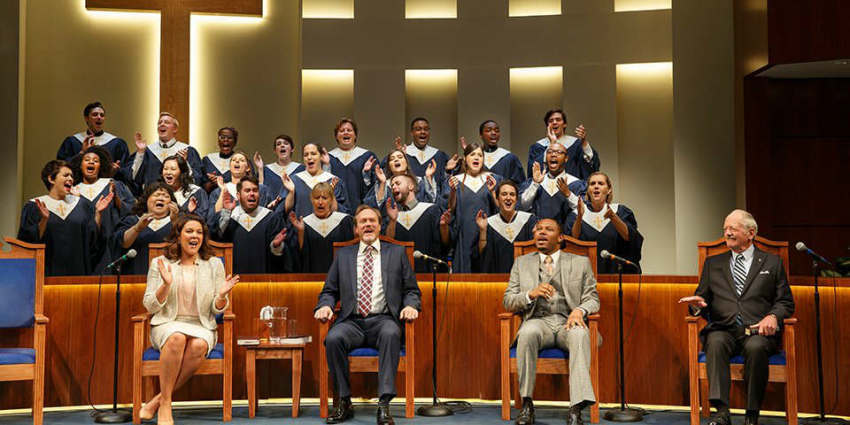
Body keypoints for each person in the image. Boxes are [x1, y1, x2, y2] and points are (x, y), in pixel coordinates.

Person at [679, 210, 795, 425]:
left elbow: (786, 302)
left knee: (756, 347)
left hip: (758, 331)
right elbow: (702, 299)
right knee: (714, 341)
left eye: (732, 228)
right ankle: (721, 411)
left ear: (750, 233)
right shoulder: (713, 264)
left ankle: (752, 414)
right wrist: (696, 307)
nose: (727, 233)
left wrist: (772, 316)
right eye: (725, 229)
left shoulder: (772, 263)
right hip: (724, 329)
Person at [314, 205, 421, 425]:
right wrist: (324, 306)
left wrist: (411, 306)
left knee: (392, 333)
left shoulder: (396, 253)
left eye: (372, 220)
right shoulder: (344, 255)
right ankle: (344, 401)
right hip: (351, 322)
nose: (368, 225)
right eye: (363, 222)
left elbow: (411, 290)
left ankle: (384, 404)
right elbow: (329, 290)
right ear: (356, 229)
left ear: (380, 226)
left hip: (383, 320)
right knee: (333, 338)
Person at [138, 214, 239, 425]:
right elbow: (149, 305)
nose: (195, 236)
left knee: (199, 344)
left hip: (201, 325)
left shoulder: (213, 265)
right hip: (167, 324)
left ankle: (158, 400)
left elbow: (216, 309)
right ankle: (166, 406)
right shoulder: (161, 263)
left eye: (199, 232)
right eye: (189, 231)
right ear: (178, 235)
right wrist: (165, 286)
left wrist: (221, 296)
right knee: (177, 338)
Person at [503, 219, 599, 425]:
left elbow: (593, 298)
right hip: (538, 321)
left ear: (560, 237)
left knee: (581, 333)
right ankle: (527, 403)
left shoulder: (580, 262)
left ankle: (576, 407)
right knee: (527, 333)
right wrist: (530, 294)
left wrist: (580, 311)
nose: (541, 233)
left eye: (548, 229)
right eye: (538, 229)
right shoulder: (522, 263)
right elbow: (508, 301)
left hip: (568, 321)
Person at [18, 160, 113, 276]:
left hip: (78, 273)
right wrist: (44, 220)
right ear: (51, 179)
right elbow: (28, 242)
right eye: (65, 175)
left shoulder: (82, 205)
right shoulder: (35, 206)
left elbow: (92, 241)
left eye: (72, 176)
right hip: (46, 274)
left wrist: (98, 213)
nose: (71, 179)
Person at [70, 146, 136, 271]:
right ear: (80, 165)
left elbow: (131, 211)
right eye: (87, 160)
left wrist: (116, 198)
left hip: (108, 246)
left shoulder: (112, 184)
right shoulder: (73, 190)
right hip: (82, 247)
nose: (91, 162)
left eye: (95, 161)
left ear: (101, 166)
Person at [566, 172, 643, 274]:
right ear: (588, 190)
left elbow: (631, 239)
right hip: (586, 278)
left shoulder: (620, 211)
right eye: (592, 184)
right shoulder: (576, 215)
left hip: (617, 277)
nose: (596, 186)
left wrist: (613, 216)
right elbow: (572, 242)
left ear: (609, 190)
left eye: (601, 183)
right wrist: (580, 217)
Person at [442, 143, 502, 273]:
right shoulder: (455, 180)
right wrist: (453, 191)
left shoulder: (492, 179)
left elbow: (501, 208)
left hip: (487, 234)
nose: (476, 158)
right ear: (465, 159)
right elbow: (450, 209)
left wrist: (492, 192)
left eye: (480, 155)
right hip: (464, 235)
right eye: (472, 154)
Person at [213, 175, 288, 274]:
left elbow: (281, 259)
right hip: (233, 281)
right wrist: (226, 213)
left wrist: (275, 246)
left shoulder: (271, 218)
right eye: (247, 190)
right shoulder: (230, 217)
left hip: (264, 282)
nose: (252, 194)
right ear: (238, 196)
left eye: (255, 190)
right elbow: (217, 240)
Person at [383, 173, 449, 273]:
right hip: (401, 277)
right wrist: (392, 221)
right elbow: (388, 246)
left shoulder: (431, 210)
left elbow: (445, 244)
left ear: (411, 186)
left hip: (429, 276)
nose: (393, 187)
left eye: (397, 183)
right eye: (392, 185)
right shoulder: (393, 217)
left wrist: (444, 227)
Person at [113, 182, 180, 275]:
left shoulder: (179, 222)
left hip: (169, 278)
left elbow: (184, 247)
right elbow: (124, 243)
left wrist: (175, 222)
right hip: (135, 278)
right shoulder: (132, 220)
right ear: (147, 200)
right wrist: (137, 228)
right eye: (156, 195)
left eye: (165, 196)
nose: (160, 198)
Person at [57, 101, 131, 185]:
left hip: (107, 189)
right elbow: (63, 168)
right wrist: (81, 153)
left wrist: (115, 171)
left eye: (102, 115)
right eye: (95, 114)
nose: (99, 117)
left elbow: (125, 171)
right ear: (86, 118)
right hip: (78, 189)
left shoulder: (117, 143)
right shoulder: (72, 141)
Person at [128, 112, 203, 194]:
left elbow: (196, 180)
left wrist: (185, 164)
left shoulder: (187, 150)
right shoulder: (148, 151)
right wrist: (140, 154)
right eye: (159, 122)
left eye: (166, 122)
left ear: (175, 129)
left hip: (180, 199)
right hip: (153, 197)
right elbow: (135, 178)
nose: (162, 124)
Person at [288, 182, 354, 273]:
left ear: (331, 200)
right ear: (311, 200)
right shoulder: (305, 224)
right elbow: (300, 259)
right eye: (316, 198)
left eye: (324, 198)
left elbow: (351, 253)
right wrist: (301, 232)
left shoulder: (344, 222)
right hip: (313, 280)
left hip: (340, 278)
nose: (320, 202)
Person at [519, 142, 585, 228]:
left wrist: (568, 194)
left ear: (566, 158)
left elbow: (583, 210)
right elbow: (524, 206)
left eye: (558, 152)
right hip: (539, 234)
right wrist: (535, 184)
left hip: (565, 235)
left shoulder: (576, 184)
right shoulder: (536, 181)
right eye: (549, 152)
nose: (553, 155)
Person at [477, 181, 538, 273]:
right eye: (504, 194)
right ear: (497, 198)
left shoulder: (528, 221)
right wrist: (483, 231)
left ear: (516, 199)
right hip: (498, 280)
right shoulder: (489, 223)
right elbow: (484, 256)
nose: (508, 198)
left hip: (524, 278)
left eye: (512, 194)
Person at [526, 109, 599, 180]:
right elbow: (532, 172)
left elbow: (591, 167)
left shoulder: (576, 145)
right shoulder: (537, 147)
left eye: (558, 119)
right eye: (551, 121)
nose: (554, 122)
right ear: (547, 125)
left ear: (564, 124)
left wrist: (584, 142)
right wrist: (551, 145)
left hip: (571, 188)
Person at [284, 143, 348, 218]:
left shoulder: (334, 181)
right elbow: (285, 210)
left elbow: (341, 214)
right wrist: (291, 192)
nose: (309, 157)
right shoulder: (293, 181)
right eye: (306, 155)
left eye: (313, 154)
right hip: (301, 228)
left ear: (321, 156)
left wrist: (331, 196)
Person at [328, 118, 378, 213]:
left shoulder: (367, 157)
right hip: (335, 210)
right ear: (336, 136)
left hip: (361, 209)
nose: (345, 133)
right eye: (341, 131)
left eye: (349, 130)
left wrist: (366, 175)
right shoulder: (329, 158)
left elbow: (376, 187)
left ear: (355, 135)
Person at [209, 151, 277, 220]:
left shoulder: (261, 190)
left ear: (248, 168)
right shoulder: (218, 192)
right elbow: (213, 220)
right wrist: (223, 191)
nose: (237, 161)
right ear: (229, 167)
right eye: (234, 160)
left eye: (242, 160)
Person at [365, 148, 436, 207]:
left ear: (406, 162)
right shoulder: (383, 184)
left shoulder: (419, 182)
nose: (396, 160)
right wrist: (383, 183)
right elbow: (373, 208)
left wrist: (429, 177)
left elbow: (432, 203)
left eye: (400, 157)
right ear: (389, 166)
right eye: (392, 159)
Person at [161, 155, 209, 219]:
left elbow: (203, 218)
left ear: (182, 172)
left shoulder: (196, 192)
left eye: (173, 169)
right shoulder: (159, 192)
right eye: (165, 169)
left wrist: (191, 213)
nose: (168, 172)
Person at [477, 120, 525, 185]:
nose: (494, 133)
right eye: (488, 130)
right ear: (481, 135)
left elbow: (520, 185)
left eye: (497, 131)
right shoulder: (475, 158)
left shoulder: (509, 158)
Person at [200, 127, 238, 192]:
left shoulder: (241, 161)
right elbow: (201, 188)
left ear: (235, 142)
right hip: (212, 200)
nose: (225, 140)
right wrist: (212, 183)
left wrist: (222, 182)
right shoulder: (207, 160)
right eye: (222, 137)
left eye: (229, 138)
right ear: (218, 141)